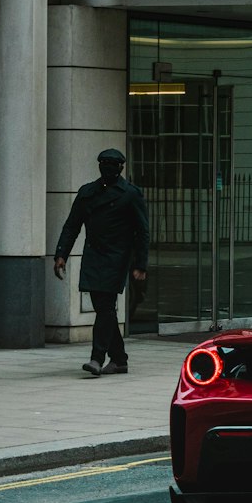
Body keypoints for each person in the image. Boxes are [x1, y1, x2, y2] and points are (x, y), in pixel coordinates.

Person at [54, 148, 149, 377]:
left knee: (105, 307)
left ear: (121, 168)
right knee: (103, 309)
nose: (108, 167)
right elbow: (72, 226)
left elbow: (142, 231)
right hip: (93, 256)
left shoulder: (130, 194)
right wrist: (61, 255)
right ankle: (119, 359)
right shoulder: (88, 192)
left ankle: (97, 358)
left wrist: (140, 264)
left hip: (116, 258)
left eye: (112, 164)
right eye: (104, 163)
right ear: (99, 165)